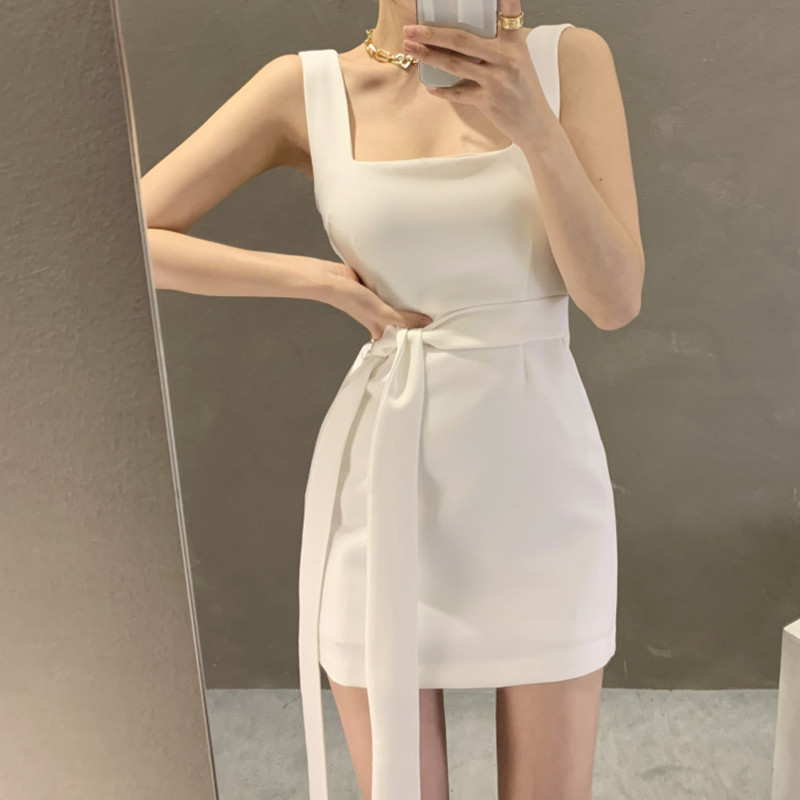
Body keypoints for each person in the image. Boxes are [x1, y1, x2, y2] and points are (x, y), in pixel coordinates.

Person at [141, 0, 644, 797]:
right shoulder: (306, 89)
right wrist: (313, 279)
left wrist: (537, 130)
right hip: (385, 484)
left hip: (542, 489)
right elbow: (126, 235)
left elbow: (614, 301)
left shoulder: (566, 62)